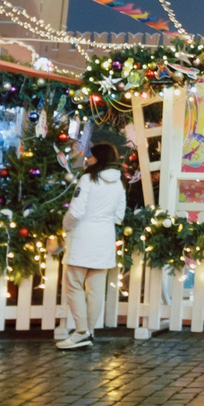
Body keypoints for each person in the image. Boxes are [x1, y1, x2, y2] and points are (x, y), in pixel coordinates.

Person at [55, 143, 125, 350]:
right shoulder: (119, 183)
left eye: (91, 156)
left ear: (99, 158)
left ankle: (81, 332)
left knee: (74, 285)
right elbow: (119, 216)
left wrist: (65, 226)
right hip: (105, 238)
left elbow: (76, 211)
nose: (87, 159)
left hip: (83, 237)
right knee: (96, 290)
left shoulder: (88, 179)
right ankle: (89, 331)